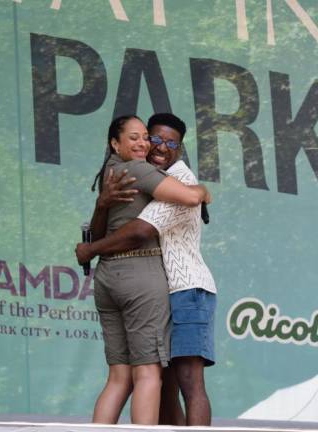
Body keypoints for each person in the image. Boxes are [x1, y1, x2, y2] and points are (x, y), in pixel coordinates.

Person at [77, 113, 217, 426]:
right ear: (116, 143)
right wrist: (101, 207)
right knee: (155, 379)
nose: (153, 145)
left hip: (185, 288)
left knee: (183, 383)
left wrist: (90, 249)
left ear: (179, 150)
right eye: (149, 137)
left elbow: (140, 230)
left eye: (171, 143)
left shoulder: (174, 179)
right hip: (146, 281)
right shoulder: (142, 173)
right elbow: (133, 231)